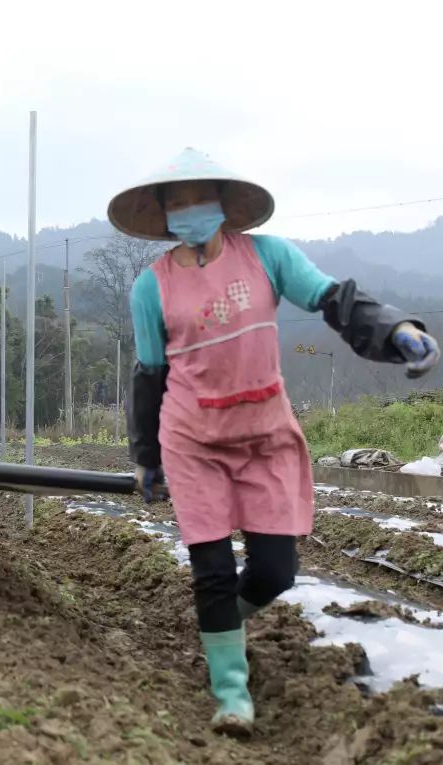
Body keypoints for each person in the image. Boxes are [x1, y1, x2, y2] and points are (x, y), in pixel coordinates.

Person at [111, 148, 439, 736]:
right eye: (176, 202)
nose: (189, 211)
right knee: (210, 569)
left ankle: (221, 627)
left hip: (263, 436)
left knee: (274, 572)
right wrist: (146, 459)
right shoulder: (150, 288)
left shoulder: (267, 257)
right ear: (162, 214)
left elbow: (334, 300)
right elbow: (150, 376)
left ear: (222, 204)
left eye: (198, 198)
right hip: (192, 439)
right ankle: (230, 692)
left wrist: (395, 330)